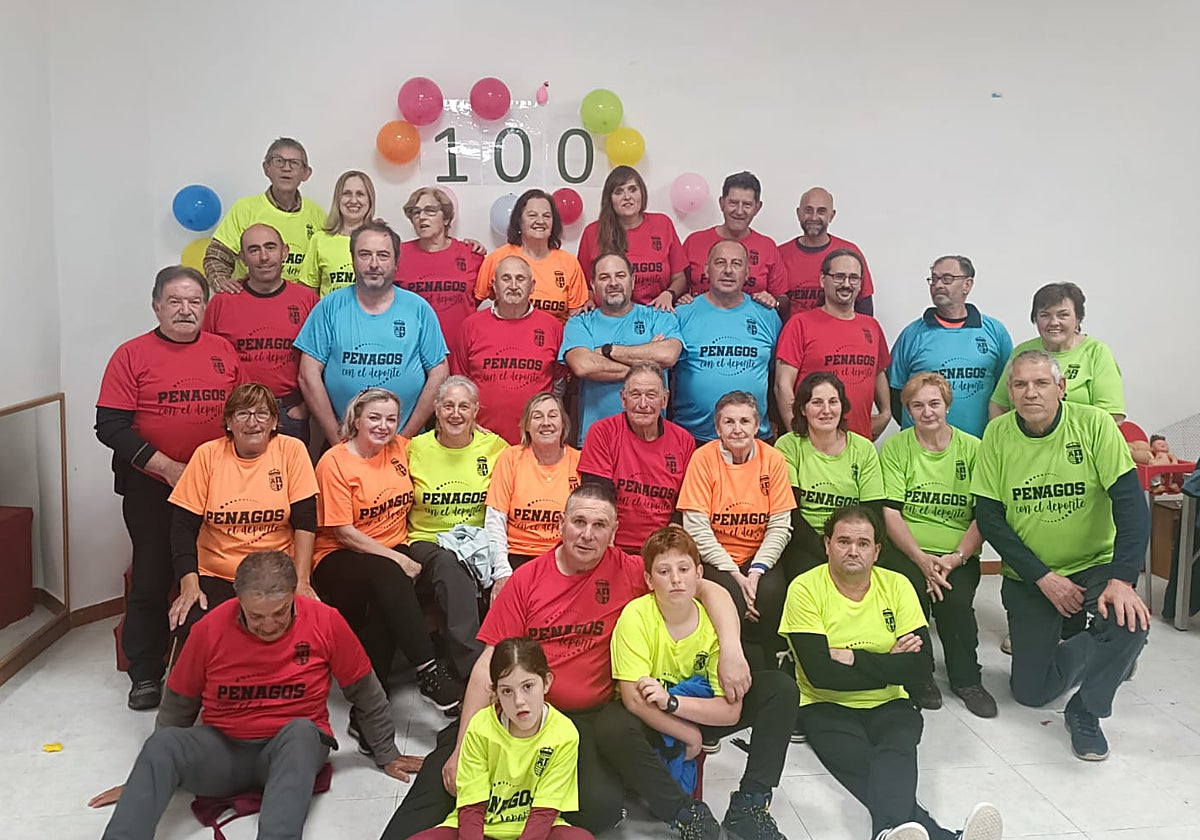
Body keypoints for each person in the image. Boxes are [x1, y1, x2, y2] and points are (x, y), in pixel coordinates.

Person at [380, 483, 751, 839]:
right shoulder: (527, 580)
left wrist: (732, 649)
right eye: (579, 522)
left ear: (614, 532)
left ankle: (516, 808)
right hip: (519, 708)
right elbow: (487, 667)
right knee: (446, 777)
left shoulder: (630, 571)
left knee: (600, 809)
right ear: (561, 524)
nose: (587, 534)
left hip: (585, 720)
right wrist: (463, 746)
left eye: (599, 525)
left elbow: (709, 588)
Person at [89, 550, 424, 840]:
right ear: (238, 601)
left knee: (302, 732)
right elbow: (178, 704)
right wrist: (146, 781)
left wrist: (387, 753)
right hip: (224, 748)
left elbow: (365, 691)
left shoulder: (326, 621)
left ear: (294, 595)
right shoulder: (209, 628)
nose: (268, 625)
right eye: (256, 616)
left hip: (292, 748)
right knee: (162, 745)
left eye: (279, 612)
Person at [780, 507, 1004, 840]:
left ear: (877, 550)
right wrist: (889, 662)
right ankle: (942, 837)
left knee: (894, 754)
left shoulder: (898, 585)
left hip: (892, 702)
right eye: (843, 541)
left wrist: (853, 657)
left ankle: (888, 833)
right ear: (827, 545)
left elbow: (920, 666)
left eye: (862, 543)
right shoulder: (805, 589)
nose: (853, 550)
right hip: (826, 705)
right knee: (870, 767)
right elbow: (821, 675)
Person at [973, 349, 1150, 760]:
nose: (1030, 392)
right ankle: (1106, 654)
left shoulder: (1094, 425)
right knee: (1031, 693)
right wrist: (1043, 577)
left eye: (1041, 383)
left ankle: (1086, 711)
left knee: (1129, 620)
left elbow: (1131, 505)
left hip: (1095, 565)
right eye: (1020, 384)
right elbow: (990, 518)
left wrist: (1122, 580)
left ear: (1061, 387)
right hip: (1030, 575)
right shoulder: (996, 435)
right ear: (1010, 392)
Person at [96, 266, 241, 710]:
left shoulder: (223, 350)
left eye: (194, 301)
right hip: (151, 486)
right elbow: (110, 425)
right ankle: (145, 672)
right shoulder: (131, 355)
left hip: (216, 485)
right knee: (152, 575)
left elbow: (240, 414)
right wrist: (169, 469)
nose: (185, 310)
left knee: (215, 572)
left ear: (206, 307)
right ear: (156, 305)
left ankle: (220, 664)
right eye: (174, 301)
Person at [605, 527, 798, 840]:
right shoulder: (636, 616)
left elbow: (730, 712)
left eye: (683, 570)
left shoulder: (712, 621)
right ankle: (685, 814)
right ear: (649, 580)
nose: (676, 579)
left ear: (698, 574)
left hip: (694, 708)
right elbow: (633, 699)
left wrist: (673, 703)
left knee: (781, 689)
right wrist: (687, 733)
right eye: (664, 572)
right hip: (653, 718)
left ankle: (749, 805)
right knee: (611, 725)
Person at [311, 388, 465, 720]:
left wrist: (470, 429)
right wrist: (398, 559)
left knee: (390, 595)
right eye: (374, 418)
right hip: (339, 554)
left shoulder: (400, 448)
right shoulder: (335, 462)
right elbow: (343, 532)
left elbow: (442, 444)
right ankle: (428, 669)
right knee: (391, 575)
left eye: (391, 419)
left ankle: (369, 707)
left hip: (393, 546)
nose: (383, 426)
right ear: (356, 420)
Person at [878, 373, 995, 717]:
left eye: (934, 403)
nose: (927, 412)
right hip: (907, 551)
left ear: (947, 405)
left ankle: (967, 679)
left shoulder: (973, 449)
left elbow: (984, 515)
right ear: (908, 411)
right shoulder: (897, 448)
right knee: (910, 596)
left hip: (956, 555)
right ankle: (919, 674)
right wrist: (921, 560)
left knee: (955, 603)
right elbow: (890, 512)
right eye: (917, 405)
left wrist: (954, 559)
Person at [166, 383, 318, 641]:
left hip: (276, 571)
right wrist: (189, 584)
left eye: (262, 413)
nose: (252, 422)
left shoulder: (292, 450)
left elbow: (305, 521)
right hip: (218, 573)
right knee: (196, 624)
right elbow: (182, 527)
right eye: (242, 414)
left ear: (274, 421)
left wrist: (302, 581)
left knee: (298, 622)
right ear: (228, 422)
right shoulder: (206, 455)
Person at [410, 637, 594, 840]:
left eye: (528, 686)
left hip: (535, 831)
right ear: (495, 692)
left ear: (546, 682)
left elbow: (545, 812)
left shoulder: (564, 733)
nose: (519, 701)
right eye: (507, 691)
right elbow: (472, 807)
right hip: (481, 828)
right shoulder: (480, 726)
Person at [295, 220, 450, 443]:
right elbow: (308, 374)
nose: (374, 264)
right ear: (353, 259)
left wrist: (404, 439)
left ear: (396, 262)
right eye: (365, 254)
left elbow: (439, 372)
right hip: (342, 441)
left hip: (407, 444)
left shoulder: (418, 309)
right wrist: (338, 442)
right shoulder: (328, 308)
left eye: (383, 255)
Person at [677, 392, 795, 668]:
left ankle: (771, 666)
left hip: (758, 556)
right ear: (717, 428)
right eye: (729, 422)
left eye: (745, 421)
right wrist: (735, 574)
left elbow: (780, 526)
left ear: (757, 426)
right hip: (716, 557)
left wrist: (755, 572)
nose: (737, 429)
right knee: (729, 597)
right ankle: (724, 666)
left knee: (772, 593)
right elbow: (696, 529)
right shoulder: (702, 459)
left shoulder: (773, 459)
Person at [407, 376, 510, 679]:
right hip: (428, 540)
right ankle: (475, 672)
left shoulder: (496, 448)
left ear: (475, 410)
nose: (455, 413)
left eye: (464, 406)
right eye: (448, 406)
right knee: (450, 565)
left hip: (479, 541)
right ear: (436, 409)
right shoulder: (413, 448)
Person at [202, 224, 319, 442]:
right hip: (239, 412)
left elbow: (324, 359)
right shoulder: (222, 302)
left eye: (270, 247)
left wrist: (305, 408)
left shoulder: (307, 300)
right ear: (243, 258)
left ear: (285, 252)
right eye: (254, 250)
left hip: (289, 412)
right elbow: (204, 359)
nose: (263, 257)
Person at [561, 252, 684, 443]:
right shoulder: (579, 322)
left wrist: (607, 351)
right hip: (597, 440)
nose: (613, 283)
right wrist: (649, 367)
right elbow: (584, 366)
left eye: (620, 275)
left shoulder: (658, 316)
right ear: (593, 285)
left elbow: (668, 355)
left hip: (651, 439)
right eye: (604, 277)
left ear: (632, 281)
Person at [887, 255, 1012, 439]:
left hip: (981, 444)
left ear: (967, 285)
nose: (938, 285)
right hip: (923, 448)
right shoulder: (912, 335)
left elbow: (1006, 388)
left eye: (947, 279)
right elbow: (895, 392)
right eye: (934, 279)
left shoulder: (994, 332)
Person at [775, 249, 892, 440]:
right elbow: (783, 385)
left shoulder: (872, 326)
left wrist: (886, 413)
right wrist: (796, 436)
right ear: (823, 280)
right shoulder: (800, 324)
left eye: (853, 278)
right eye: (839, 277)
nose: (846, 284)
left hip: (859, 444)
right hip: (813, 443)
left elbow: (878, 372)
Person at [578, 363, 695, 554]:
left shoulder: (684, 440)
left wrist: (669, 548)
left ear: (664, 400)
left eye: (651, 395)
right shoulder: (602, 432)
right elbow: (598, 498)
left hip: (662, 548)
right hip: (612, 544)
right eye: (635, 395)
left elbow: (686, 504)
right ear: (623, 399)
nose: (643, 404)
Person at [776, 372, 886, 574]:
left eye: (833, 402)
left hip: (853, 541)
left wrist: (847, 548)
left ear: (842, 406)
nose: (826, 410)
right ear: (803, 409)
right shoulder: (788, 445)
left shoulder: (863, 448)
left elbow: (872, 511)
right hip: (805, 542)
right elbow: (791, 514)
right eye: (817, 402)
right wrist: (828, 551)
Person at [673, 240, 782, 444]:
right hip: (692, 438)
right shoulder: (682, 314)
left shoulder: (767, 315)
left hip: (753, 438)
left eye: (736, 264)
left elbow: (777, 375)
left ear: (747, 273)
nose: (728, 271)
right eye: (720, 263)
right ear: (707, 269)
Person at [451, 255, 564, 444]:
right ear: (494, 286)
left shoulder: (553, 327)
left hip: (534, 441)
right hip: (481, 439)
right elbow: (460, 384)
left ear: (532, 286)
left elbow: (559, 384)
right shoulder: (471, 325)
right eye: (506, 278)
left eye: (520, 279)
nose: (513, 285)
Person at [989, 282, 1125, 423]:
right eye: (1045, 315)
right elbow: (999, 405)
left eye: (1063, 315)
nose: (1054, 322)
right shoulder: (1022, 352)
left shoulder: (1097, 352)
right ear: (1035, 319)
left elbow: (1112, 416)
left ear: (1078, 318)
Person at [204, 138, 325, 292]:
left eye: (294, 163)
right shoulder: (245, 209)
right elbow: (216, 256)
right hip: (252, 299)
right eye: (279, 161)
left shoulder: (318, 215)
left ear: (306, 173)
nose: (286, 168)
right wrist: (221, 281)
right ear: (266, 168)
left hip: (299, 303)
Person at [485, 393, 581, 571]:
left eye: (552, 415)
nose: (546, 422)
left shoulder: (579, 461)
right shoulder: (511, 458)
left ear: (563, 423)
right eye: (537, 417)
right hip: (516, 555)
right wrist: (501, 570)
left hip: (565, 557)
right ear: (527, 426)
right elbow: (495, 520)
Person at [576, 165, 687, 309]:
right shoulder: (592, 232)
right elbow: (584, 285)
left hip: (655, 312)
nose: (627, 197)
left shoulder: (663, 224)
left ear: (642, 193)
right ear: (609, 199)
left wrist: (669, 294)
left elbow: (680, 278)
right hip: (610, 314)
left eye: (632, 189)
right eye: (619, 192)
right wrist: (588, 301)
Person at [475, 189, 588, 324]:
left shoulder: (569, 263)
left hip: (556, 336)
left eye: (546, 216)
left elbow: (576, 317)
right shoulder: (497, 258)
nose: (540, 221)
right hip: (508, 334)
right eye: (532, 215)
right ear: (519, 221)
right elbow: (470, 305)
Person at [681, 171, 788, 313]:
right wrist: (681, 298)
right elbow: (677, 285)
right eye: (733, 203)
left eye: (747, 205)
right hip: (700, 320)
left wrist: (773, 302)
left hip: (750, 323)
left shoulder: (767, 247)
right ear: (722, 203)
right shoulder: (694, 242)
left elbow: (783, 299)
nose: (739, 211)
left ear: (757, 207)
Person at [396, 186, 486, 352]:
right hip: (413, 352)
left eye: (430, 211)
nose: (422, 217)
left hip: (461, 351)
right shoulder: (398, 254)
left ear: (446, 219)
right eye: (415, 212)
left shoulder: (470, 254)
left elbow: (476, 300)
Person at [778, 187, 875, 317]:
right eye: (808, 210)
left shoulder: (849, 253)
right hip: (792, 329)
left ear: (831, 215)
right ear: (798, 213)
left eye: (821, 211)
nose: (814, 217)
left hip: (838, 329)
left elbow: (864, 307)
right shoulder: (779, 254)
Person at [299, 169, 376, 297]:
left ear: (370, 200)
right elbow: (308, 294)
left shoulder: (381, 241)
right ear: (338, 199)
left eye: (360, 194)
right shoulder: (320, 240)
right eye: (346, 194)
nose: (353, 200)